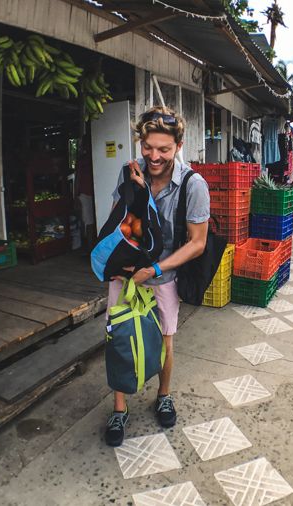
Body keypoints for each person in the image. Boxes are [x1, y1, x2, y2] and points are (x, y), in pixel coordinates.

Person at [103, 106, 210, 447]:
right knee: (119, 339)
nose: (154, 156)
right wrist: (134, 194)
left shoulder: (194, 185)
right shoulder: (131, 172)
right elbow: (117, 222)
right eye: (148, 147)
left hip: (162, 276)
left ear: (179, 145)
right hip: (125, 275)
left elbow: (197, 243)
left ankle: (163, 394)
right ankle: (119, 408)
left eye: (163, 149)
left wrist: (156, 268)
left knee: (164, 341)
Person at [74, 134, 96, 254]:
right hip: (86, 194)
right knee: (88, 222)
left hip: (90, 193)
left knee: (89, 222)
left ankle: (91, 247)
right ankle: (90, 248)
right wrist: (76, 195)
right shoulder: (82, 159)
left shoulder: (93, 156)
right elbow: (78, 177)